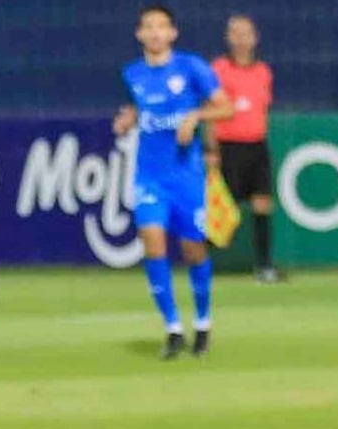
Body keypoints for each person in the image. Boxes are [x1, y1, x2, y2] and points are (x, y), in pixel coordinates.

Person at [113, 4, 234, 360]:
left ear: (172, 33)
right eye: (148, 26)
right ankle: (173, 329)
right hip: (149, 176)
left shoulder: (191, 67)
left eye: (161, 26)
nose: (155, 32)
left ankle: (203, 322)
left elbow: (226, 107)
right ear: (139, 34)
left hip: (186, 176)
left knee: (194, 250)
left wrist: (196, 115)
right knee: (153, 244)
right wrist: (127, 120)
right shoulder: (132, 73)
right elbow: (139, 108)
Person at [209, 15, 280, 283]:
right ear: (228, 38)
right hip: (229, 147)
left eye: (246, 34)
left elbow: (262, 109)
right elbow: (211, 112)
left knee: (263, 204)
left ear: (255, 38)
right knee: (223, 209)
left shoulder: (263, 71)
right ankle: (202, 261)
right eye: (236, 34)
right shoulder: (219, 69)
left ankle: (264, 266)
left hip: (256, 147)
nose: (241, 39)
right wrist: (212, 149)